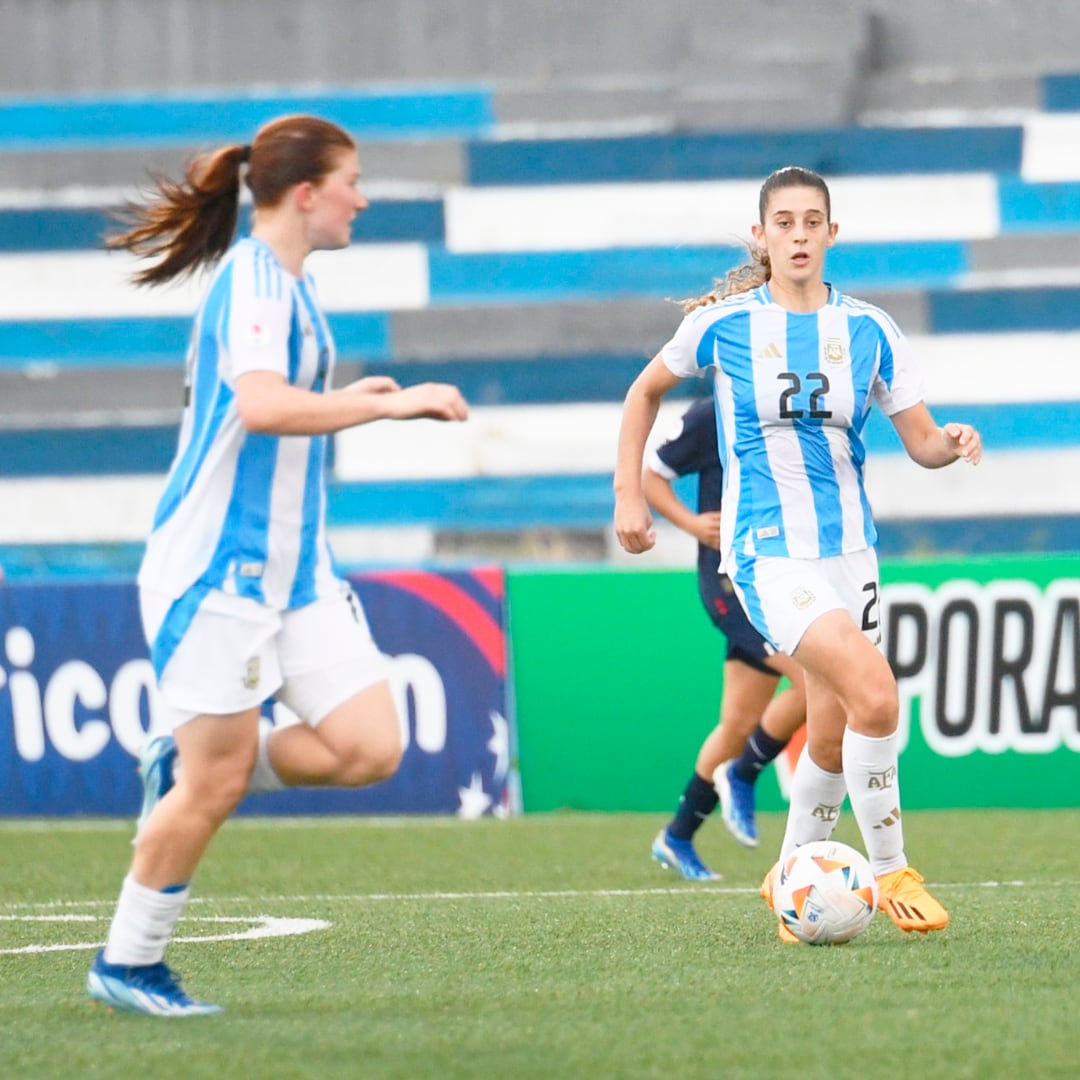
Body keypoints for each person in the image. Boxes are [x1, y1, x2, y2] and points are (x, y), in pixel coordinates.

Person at [86, 114, 468, 1016]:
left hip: (293, 571)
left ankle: (181, 757)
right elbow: (259, 407)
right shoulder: (256, 282)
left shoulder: (287, 284)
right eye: (352, 182)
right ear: (307, 194)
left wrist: (349, 397)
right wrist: (387, 407)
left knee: (371, 746)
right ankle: (127, 964)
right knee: (210, 786)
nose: (361, 199)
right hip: (219, 571)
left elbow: (266, 399)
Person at [614, 165, 981, 940]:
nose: (799, 234)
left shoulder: (872, 330)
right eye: (783, 222)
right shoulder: (724, 325)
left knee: (830, 730)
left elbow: (919, 441)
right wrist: (627, 494)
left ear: (832, 234)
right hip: (767, 553)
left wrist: (950, 444)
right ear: (761, 236)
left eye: (812, 221)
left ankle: (792, 881)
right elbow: (642, 392)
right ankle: (891, 869)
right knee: (876, 696)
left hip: (852, 550)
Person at [645, 396, 807, 880]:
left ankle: (677, 836)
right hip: (729, 584)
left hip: (776, 575)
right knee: (816, 678)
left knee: (737, 725)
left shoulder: (785, 403)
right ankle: (743, 772)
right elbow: (650, 475)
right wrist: (692, 523)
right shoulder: (710, 413)